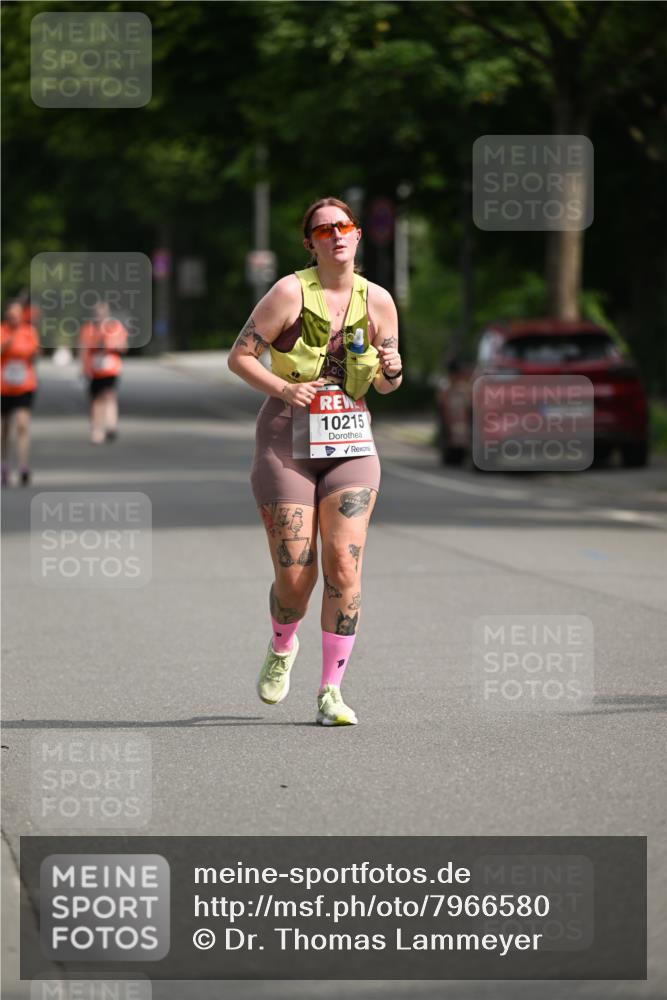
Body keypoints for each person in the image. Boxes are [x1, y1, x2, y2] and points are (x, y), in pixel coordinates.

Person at [228, 196, 402, 726]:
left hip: (350, 445)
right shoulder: (287, 292)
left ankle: (331, 692)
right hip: (287, 441)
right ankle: (283, 645)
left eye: (344, 226)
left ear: (357, 235)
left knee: (345, 568)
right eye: (324, 229)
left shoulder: (378, 301)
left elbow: (388, 384)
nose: (336, 235)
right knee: (296, 578)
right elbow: (239, 356)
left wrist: (392, 367)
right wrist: (285, 387)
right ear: (311, 243)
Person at [1, 300, 40, 486]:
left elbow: (34, 354)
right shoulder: (2, 331)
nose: (14, 318)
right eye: (11, 315)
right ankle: (4, 465)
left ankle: (24, 466)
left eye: (17, 315)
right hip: (4, 387)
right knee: (5, 428)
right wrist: (7, 345)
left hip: (24, 384)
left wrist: (30, 351)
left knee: (22, 424)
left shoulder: (29, 331)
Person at [79, 301, 128, 444]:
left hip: (110, 368)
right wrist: (82, 368)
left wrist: (111, 345)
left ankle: (111, 426)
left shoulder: (115, 327)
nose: (99, 315)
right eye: (97, 312)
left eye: (102, 312)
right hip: (94, 370)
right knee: (96, 400)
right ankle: (96, 429)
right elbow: (83, 349)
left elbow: (124, 346)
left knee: (109, 395)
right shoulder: (88, 329)